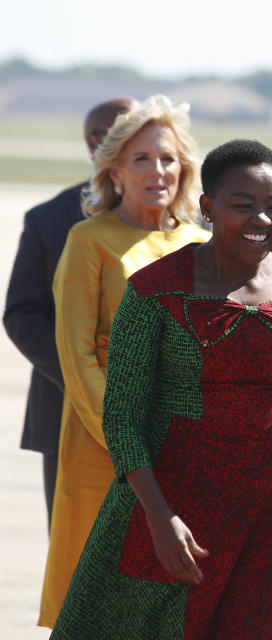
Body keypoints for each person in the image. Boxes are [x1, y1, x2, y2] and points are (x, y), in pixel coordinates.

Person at [50, 139, 272, 639]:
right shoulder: (154, 291)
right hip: (174, 510)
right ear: (207, 207)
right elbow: (122, 416)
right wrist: (159, 519)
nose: (261, 220)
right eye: (242, 205)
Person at [38, 94, 213, 627]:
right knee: (96, 601)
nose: (157, 171)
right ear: (114, 169)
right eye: (141, 159)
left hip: (184, 443)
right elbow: (76, 355)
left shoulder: (201, 243)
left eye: (167, 159)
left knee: (170, 599)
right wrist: (127, 440)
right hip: (105, 445)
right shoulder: (87, 240)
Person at [4, 97, 135, 527]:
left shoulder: (186, 220)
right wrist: (85, 377)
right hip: (64, 408)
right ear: (97, 143)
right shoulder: (49, 218)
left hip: (156, 415)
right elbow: (22, 314)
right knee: (72, 550)